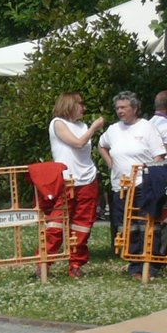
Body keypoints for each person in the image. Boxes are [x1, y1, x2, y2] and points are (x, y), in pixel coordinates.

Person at [99, 91, 167, 273]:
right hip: (121, 186)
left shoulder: (147, 128)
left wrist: (150, 176)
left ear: (135, 108)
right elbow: (102, 145)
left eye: (124, 107)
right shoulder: (113, 130)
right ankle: (134, 265)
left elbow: (159, 155)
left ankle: (150, 265)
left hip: (142, 185)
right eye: (117, 108)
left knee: (146, 225)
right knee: (127, 227)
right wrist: (111, 164)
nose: (120, 111)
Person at [44, 92, 105, 279]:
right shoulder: (58, 123)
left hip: (87, 179)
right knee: (56, 223)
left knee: (83, 225)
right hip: (67, 180)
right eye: (80, 104)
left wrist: (89, 128)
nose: (83, 108)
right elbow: (78, 143)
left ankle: (76, 264)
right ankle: (44, 264)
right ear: (69, 104)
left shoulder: (82, 125)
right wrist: (94, 128)